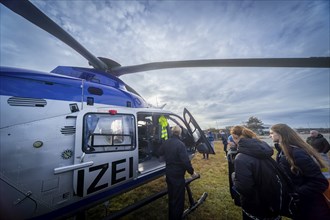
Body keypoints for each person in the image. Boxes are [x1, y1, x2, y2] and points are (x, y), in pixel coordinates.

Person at [270, 124, 330, 220]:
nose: (270, 135)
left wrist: (295, 194)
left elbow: (320, 182)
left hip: (313, 208)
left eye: (272, 133)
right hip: (302, 206)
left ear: (281, 134)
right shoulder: (283, 152)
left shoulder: (297, 153)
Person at [230, 125, 280, 220]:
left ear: (235, 138)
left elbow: (244, 188)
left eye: (233, 138)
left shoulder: (241, 157)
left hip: (255, 206)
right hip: (273, 200)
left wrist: (234, 177)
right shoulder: (262, 149)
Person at [158, 125, 198, 220]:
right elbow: (185, 161)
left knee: (172, 197)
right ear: (179, 133)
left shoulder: (166, 142)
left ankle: (171, 216)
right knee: (178, 199)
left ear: (172, 132)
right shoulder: (180, 144)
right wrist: (192, 172)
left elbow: (159, 152)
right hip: (177, 175)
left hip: (169, 173)